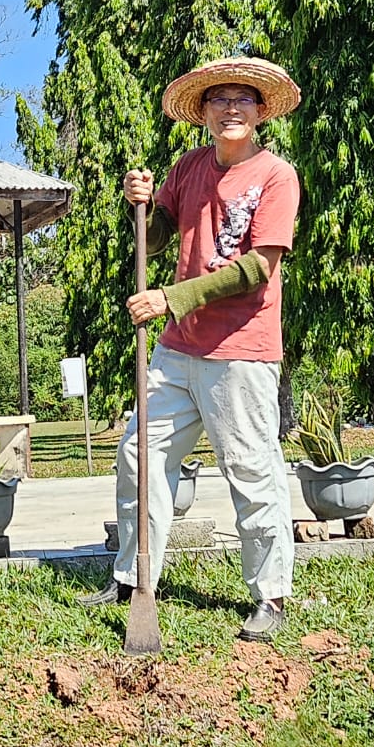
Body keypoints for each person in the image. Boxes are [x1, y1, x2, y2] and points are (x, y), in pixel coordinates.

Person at [79, 56, 302, 644]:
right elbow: (150, 243)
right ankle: (134, 579)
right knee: (139, 456)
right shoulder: (189, 167)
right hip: (177, 350)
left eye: (243, 100)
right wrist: (139, 203)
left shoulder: (276, 177)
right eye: (219, 100)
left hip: (242, 349)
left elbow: (259, 266)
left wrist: (172, 298)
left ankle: (271, 594)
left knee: (251, 470)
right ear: (202, 113)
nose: (231, 108)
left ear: (260, 113)